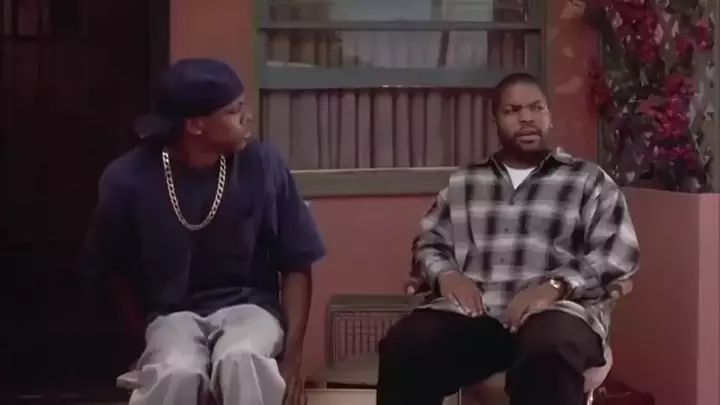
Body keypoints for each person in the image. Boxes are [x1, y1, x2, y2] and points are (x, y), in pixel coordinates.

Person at [376, 72, 640, 405]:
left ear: (548, 115)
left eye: (536, 107)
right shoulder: (465, 183)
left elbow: (619, 252)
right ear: (496, 121)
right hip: (477, 317)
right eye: (513, 110)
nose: (527, 117)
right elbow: (430, 241)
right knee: (406, 346)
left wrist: (557, 285)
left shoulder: (587, 180)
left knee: (547, 351)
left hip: (557, 314)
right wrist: (447, 274)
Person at [81, 58, 325, 405]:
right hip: (171, 317)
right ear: (195, 125)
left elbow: (297, 262)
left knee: (242, 358)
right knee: (176, 371)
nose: (247, 117)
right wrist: (139, 345)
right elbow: (110, 271)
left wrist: (292, 360)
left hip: (250, 309)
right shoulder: (127, 179)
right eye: (233, 111)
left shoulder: (263, 164)